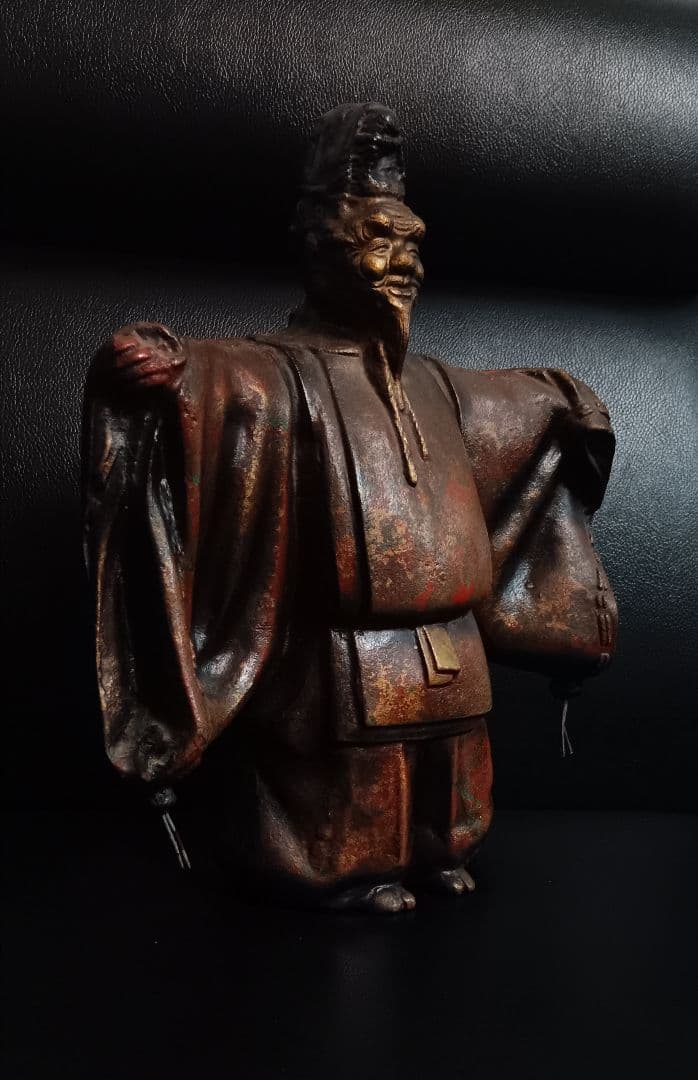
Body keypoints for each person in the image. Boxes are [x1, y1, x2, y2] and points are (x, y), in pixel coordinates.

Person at [83, 103, 617, 913]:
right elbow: (214, 380)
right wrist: (158, 373)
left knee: (450, 772)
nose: (404, 264)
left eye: (413, 245)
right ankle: (349, 874)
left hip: (452, 643)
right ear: (320, 250)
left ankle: (441, 851)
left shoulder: (433, 383)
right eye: (379, 241)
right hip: (334, 657)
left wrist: (566, 400)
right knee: (351, 780)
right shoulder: (273, 373)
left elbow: (511, 408)